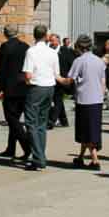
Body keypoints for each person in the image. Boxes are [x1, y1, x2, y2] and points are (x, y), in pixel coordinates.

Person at [22, 25, 65, 172]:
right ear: (46, 36)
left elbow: (28, 74)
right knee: (42, 122)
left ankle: (38, 157)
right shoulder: (53, 52)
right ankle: (40, 155)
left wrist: (28, 83)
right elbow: (57, 74)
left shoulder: (31, 51)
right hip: (49, 87)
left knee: (31, 122)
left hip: (36, 87)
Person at [0, 26, 34, 163]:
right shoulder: (25, 46)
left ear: (5, 34)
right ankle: (10, 148)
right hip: (23, 85)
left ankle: (26, 145)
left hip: (10, 86)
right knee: (15, 119)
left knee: (11, 118)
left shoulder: (5, 47)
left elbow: (2, 68)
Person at [68, 36, 108, 169]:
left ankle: (95, 159)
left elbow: (70, 79)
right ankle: (80, 157)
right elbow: (103, 82)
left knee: (87, 131)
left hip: (84, 99)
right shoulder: (100, 61)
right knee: (90, 130)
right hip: (97, 99)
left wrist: (56, 78)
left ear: (80, 47)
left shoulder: (79, 61)